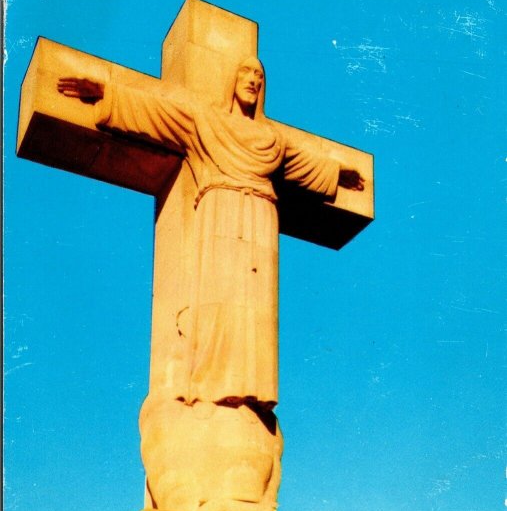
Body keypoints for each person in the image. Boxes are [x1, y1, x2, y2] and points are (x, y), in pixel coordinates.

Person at [57, 59, 364, 413]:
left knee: (256, 309)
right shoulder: (205, 121)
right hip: (220, 212)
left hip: (262, 214)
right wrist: (108, 94)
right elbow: (159, 113)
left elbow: (304, 163)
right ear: (231, 80)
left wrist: (338, 172)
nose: (253, 81)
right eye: (246, 73)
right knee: (218, 296)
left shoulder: (273, 141)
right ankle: (211, 384)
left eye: (260, 76)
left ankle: (254, 387)